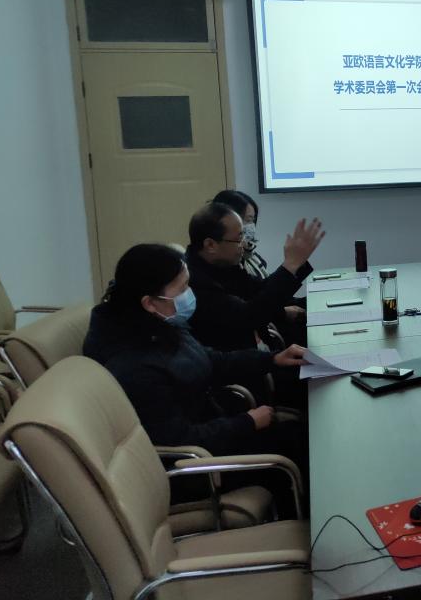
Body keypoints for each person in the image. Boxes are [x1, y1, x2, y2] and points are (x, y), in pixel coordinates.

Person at [83, 243, 307, 464]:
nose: (189, 294)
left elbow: (209, 360)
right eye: (182, 289)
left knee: (300, 427)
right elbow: (179, 441)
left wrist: (273, 359)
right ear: (150, 303)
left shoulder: (159, 324)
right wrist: (247, 422)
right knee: (300, 443)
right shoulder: (133, 367)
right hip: (202, 464)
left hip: (215, 424)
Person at [185, 202, 323, 353]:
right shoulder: (194, 281)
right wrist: (290, 266)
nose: (244, 244)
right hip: (237, 361)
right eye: (238, 239)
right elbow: (249, 316)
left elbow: (259, 290)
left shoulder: (223, 264)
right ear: (210, 245)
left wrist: (294, 266)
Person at [212, 189, 268, 279]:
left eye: (253, 220)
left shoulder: (250, 255)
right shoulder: (224, 263)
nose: (251, 226)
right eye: (248, 220)